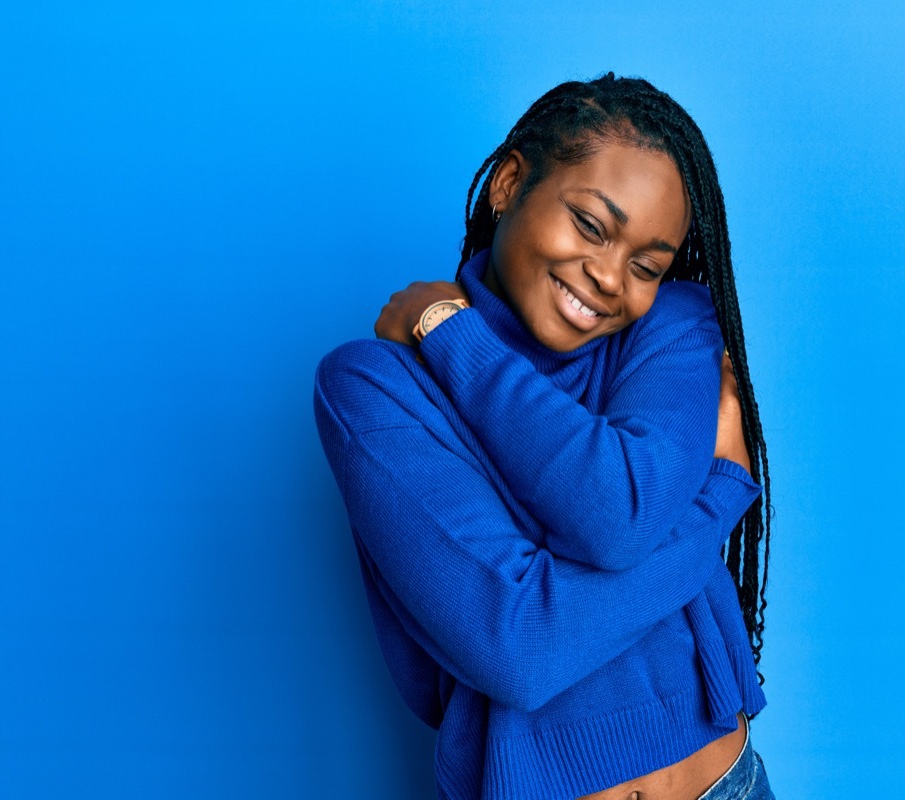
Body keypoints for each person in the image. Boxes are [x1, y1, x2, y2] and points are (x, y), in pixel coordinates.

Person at [314, 73, 775, 799]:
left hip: (730, 784)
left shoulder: (672, 326)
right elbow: (522, 644)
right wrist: (716, 500)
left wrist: (452, 334)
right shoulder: (375, 391)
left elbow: (615, 512)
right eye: (592, 225)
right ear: (507, 185)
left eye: (647, 264)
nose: (608, 277)